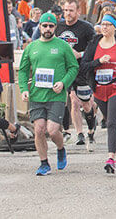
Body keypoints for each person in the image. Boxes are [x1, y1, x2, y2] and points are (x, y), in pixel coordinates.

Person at [18, 12, 79, 176]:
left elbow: (74, 67)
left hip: (56, 95)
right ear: (40, 26)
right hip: (37, 95)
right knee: (39, 130)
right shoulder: (31, 47)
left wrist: (64, 83)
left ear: (55, 28)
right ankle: (44, 163)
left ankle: (60, 148)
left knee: (52, 130)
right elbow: (23, 71)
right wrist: (24, 89)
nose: (47, 29)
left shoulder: (62, 46)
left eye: (51, 26)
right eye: (44, 25)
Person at [79, 14, 116, 173]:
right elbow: (83, 66)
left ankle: (110, 158)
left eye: (108, 25)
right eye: (102, 24)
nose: (104, 27)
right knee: (112, 123)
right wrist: (99, 62)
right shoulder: (94, 44)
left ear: (114, 27)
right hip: (99, 89)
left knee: (111, 121)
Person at [55, 0, 97, 149]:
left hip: (82, 69)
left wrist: (80, 54)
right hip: (65, 70)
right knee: (73, 100)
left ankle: (91, 128)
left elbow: (95, 48)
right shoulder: (58, 27)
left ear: (78, 12)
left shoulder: (86, 28)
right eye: (65, 10)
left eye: (71, 10)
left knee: (86, 104)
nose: (68, 13)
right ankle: (79, 133)